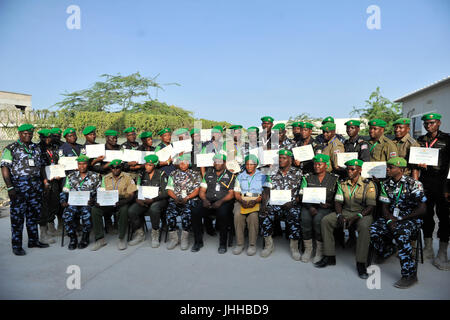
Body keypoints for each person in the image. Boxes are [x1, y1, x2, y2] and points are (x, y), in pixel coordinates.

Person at [369, 157, 427, 288]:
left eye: (391, 167)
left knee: (400, 233)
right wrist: (389, 219)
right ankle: (387, 250)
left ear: (401, 169)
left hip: (411, 219)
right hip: (392, 217)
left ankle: (410, 275)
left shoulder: (414, 184)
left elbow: (422, 209)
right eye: (387, 166)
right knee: (373, 230)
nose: (387, 169)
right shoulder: (386, 184)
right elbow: (384, 205)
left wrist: (400, 219)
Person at [316, 159, 377, 279]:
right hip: (345, 212)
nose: (349, 171)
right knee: (326, 220)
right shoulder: (342, 183)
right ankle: (329, 256)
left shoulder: (368, 184)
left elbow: (371, 206)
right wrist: (339, 215)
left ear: (360, 170)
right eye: (347, 169)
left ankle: (361, 263)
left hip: (362, 214)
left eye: (352, 169)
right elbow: (338, 201)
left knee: (364, 227)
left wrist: (356, 217)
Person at [1, 124, 50, 255]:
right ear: (19, 133)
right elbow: (5, 168)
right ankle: (16, 245)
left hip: (35, 187)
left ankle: (33, 241)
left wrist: (44, 182)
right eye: (25, 133)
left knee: (33, 216)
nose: (28, 135)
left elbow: (41, 167)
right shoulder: (10, 148)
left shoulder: (36, 148)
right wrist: (10, 187)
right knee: (17, 218)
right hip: (18, 188)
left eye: (30, 133)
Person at [416, 113, 450, 270]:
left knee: (444, 217)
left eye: (431, 123)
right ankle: (428, 248)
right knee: (426, 215)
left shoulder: (447, 139)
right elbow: (414, 163)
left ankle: (442, 252)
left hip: (443, 184)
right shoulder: (421, 141)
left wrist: (448, 188)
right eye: (425, 124)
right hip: (426, 183)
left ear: (439, 123)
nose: (428, 126)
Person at [260, 149, 303, 260]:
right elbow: (266, 189)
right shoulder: (272, 171)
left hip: (291, 204)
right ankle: (269, 245)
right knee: (265, 213)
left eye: (284, 158)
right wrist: (264, 204)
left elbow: (301, 193)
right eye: (279, 158)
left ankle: (294, 247)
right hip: (275, 203)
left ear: (290, 159)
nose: (281, 160)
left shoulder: (298, 173)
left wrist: (293, 202)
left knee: (295, 214)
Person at [299, 154, 340, 263]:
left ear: (326, 166)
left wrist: (329, 205)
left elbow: (338, 197)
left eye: (319, 164)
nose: (316, 166)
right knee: (305, 219)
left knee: (318, 221)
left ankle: (319, 250)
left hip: (325, 207)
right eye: (315, 164)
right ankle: (308, 249)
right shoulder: (307, 177)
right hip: (309, 206)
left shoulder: (334, 179)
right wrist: (310, 207)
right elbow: (302, 194)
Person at [90, 159, 137, 251]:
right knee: (95, 210)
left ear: (121, 168)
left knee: (124, 210)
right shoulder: (105, 178)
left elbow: (132, 195)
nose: (115, 169)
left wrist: (124, 202)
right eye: (113, 167)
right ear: (110, 168)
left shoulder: (128, 178)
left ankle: (121, 238)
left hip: (122, 200)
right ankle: (100, 239)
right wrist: (99, 201)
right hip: (108, 200)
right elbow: (102, 192)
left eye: (118, 167)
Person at [196, 154, 237, 254]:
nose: (217, 163)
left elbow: (231, 194)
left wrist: (220, 201)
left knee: (223, 214)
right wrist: (204, 200)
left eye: (219, 161)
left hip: (223, 202)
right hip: (208, 200)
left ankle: (223, 244)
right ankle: (198, 242)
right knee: (195, 212)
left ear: (224, 163)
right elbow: (202, 190)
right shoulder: (208, 173)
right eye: (215, 161)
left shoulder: (231, 176)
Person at [60, 155, 101, 250]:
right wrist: (63, 201)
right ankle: (73, 238)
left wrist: (94, 200)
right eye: (79, 164)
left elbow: (100, 192)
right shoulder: (70, 176)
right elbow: (65, 191)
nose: (81, 166)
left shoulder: (95, 176)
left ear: (88, 165)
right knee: (67, 215)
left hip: (87, 203)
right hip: (73, 203)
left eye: (84, 164)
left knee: (86, 214)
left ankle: (85, 238)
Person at [128, 154, 168, 248]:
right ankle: (139, 233)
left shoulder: (162, 174)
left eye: (150, 165)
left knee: (154, 209)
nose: (147, 167)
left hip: (158, 200)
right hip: (144, 200)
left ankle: (155, 233)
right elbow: (136, 189)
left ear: (154, 165)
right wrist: (137, 199)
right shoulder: (141, 174)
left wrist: (153, 199)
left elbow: (165, 192)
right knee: (132, 211)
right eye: (146, 164)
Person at [165, 154, 202, 250]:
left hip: (189, 199)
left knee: (187, 214)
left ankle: (184, 238)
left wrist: (187, 197)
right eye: (180, 163)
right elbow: (169, 189)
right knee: (169, 214)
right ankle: (174, 239)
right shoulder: (173, 174)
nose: (182, 165)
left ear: (188, 163)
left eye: (184, 163)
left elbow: (197, 190)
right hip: (175, 199)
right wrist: (176, 198)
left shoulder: (195, 174)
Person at [232, 155, 267, 256]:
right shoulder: (240, 176)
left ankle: (252, 245)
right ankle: (240, 244)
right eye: (247, 164)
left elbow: (264, 192)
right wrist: (241, 201)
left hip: (256, 200)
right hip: (241, 200)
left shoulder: (262, 176)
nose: (249, 166)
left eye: (251, 164)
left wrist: (256, 201)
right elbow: (236, 193)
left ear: (256, 165)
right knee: (238, 215)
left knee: (253, 217)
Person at [38, 129, 59, 244]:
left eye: (49, 137)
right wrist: (44, 181)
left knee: (54, 203)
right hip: (43, 181)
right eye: (44, 138)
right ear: (40, 138)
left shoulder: (54, 147)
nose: (47, 140)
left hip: (54, 179)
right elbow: (40, 167)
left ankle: (52, 227)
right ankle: (43, 233)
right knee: (43, 206)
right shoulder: (37, 149)